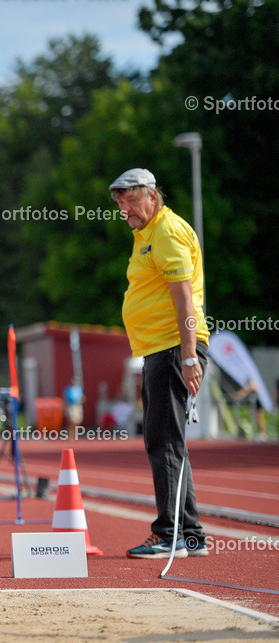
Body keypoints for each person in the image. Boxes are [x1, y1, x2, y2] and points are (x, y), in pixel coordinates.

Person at [109, 168, 209, 559]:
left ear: (153, 195)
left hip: (173, 348)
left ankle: (170, 534)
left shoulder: (165, 231)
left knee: (163, 441)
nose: (125, 210)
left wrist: (187, 356)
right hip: (161, 349)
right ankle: (192, 535)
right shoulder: (146, 234)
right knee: (169, 442)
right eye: (120, 204)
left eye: (131, 201)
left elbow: (184, 299)